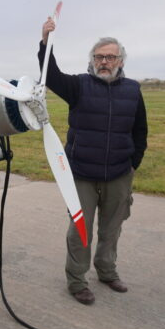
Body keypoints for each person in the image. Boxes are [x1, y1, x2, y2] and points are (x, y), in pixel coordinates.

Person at [39, 17, 148, 305]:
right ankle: (76, 281)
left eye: (110, 57)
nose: (104, 61)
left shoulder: (133, 90)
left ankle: (107, 271)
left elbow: (140, 131)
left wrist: (132, 163)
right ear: (92, 60)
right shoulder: (79, 86)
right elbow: (51, 75)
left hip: (119, 173)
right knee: (80, 230)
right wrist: (45, 43)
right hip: (82, 174)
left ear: (120, 61)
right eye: (99, 57)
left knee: (112, 229)